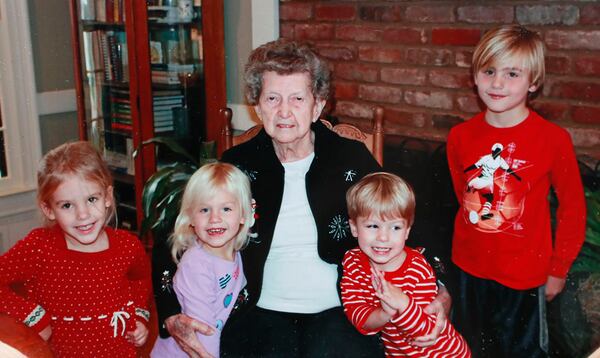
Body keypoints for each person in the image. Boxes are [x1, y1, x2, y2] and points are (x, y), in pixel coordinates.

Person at [153, 38, 450, 357]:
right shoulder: (239, 162)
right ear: (257, 105)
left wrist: (441, 291)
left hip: (341, 311)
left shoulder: (348, 157)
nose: (284, 111)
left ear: (317, 105)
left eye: (297, 98)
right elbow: (175, 232)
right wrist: (170, 311)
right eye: (272, 98)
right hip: (259, 311)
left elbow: (405, 221)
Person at [446, 24, 586, 357]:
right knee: (469, 349)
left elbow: (573, 209)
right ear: (475, 76)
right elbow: (461, 192)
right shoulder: (460, 136)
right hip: (468, 270)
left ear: (533, 82)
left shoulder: (554, 140)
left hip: (524, 277)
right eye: (489, 71)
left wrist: (557, 270)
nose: (497, 83)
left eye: (512, 73)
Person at [0, 141, 152, 357]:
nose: (83, 215)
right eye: (67, 205)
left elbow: (140, 279)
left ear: (107, 197)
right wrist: (33, 316)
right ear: (48, 209)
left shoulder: (128, 245)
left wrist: (139, 316)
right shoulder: (39, 247)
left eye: (91, 199)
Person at [341, 172, 470, 357]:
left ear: (407, 231)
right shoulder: (353, 262)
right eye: (372, 226)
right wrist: (385, 313)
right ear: (354, 228)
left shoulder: (417, 268)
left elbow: (426, 333)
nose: (383, 237)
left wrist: (403, 302)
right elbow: (359, 316)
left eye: (395, 227)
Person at [151, 163, 254, 357]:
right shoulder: (197, 266)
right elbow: (204, 333)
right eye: (205, 210)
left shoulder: (235, 253)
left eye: (226, 209)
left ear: (243, 214)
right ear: (190, 217)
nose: (215, 218)